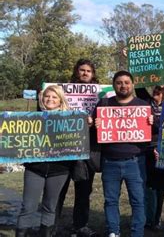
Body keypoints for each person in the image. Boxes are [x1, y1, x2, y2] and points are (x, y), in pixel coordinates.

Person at [93, 70, 153, 237]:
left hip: (136, 161)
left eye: (127, 82)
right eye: (119, 82)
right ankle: (113, 232)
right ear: (114, 85)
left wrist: (154, 122)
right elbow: (93, 130)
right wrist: (94, 123)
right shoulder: (104, 104)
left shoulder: (143, 105)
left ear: (133, 85)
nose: (123, 85)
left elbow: (154, 131)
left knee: (138, 201)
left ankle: (137, 233)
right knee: (111, 201)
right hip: (110, 161)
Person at [16, 85, 78, 237]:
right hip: (34, 169)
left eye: (54, 97)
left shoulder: (71, 120)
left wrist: (88, 123)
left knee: (50, 207)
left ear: (60, 100)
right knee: (28, 207)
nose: (50, 99)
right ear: (42, 99)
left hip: (59, 170)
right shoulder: (31, 118)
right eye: (47, 96)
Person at [56, 58, 99, 237]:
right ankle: (51, 225)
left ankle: (80, 225)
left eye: (88, 71)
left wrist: (95, 122)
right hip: (64, 148)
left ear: (93, 74)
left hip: (87, 149)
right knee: (58, 189)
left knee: (83, 190)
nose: (85, 73)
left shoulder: (100, 95)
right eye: (82, 70)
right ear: (76, 72)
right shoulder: (62, 92)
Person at [135, 85, 164, 230]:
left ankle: (157, 218)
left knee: (160, 186)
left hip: (163, 148)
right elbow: (140, 86)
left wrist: (157, 122)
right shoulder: (145, 103)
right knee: (147, 184)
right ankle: (148, 217)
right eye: (154, 89)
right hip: (146, 148)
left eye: (160, 90)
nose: (156, 92)